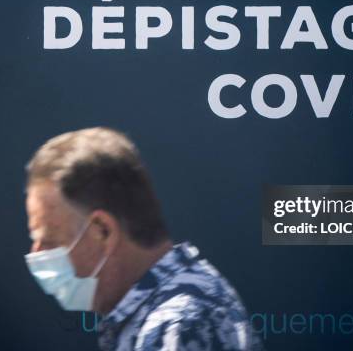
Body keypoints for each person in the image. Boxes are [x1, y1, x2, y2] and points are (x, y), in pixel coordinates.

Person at [23, 127, 263, 350]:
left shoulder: (173, 326)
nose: (37, 253)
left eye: (50, 239)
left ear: (103, 231)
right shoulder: (176, 305)